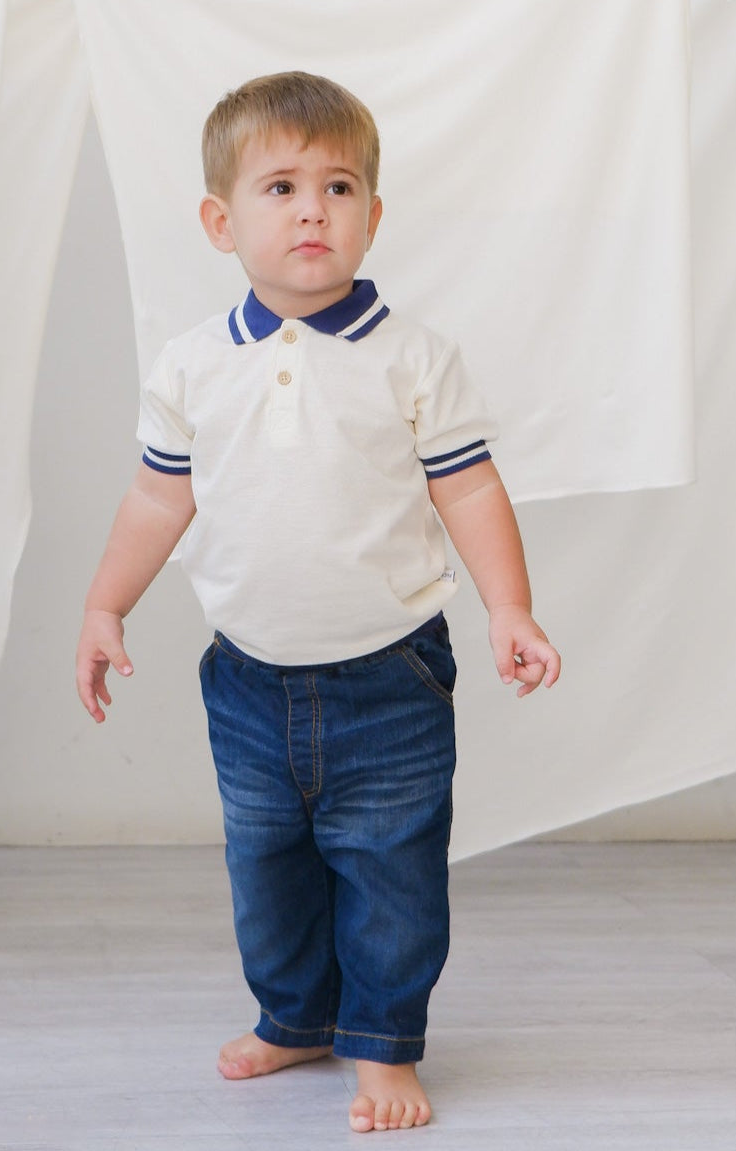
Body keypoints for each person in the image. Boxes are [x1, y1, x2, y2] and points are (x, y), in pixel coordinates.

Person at [75, 71, 560, 1135]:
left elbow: (468, 488)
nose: (312, 210)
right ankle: (294, 1014)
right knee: (268, 870)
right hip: (247, 676)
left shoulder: (411, 357)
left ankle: (382, 1043)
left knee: (389, 871)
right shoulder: (194, 366)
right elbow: (156, 498)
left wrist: (508, 608)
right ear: (220, 222)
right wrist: (105, 605)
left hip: (388, 673)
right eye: (281, 187)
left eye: (338, 188)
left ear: (372, 217)